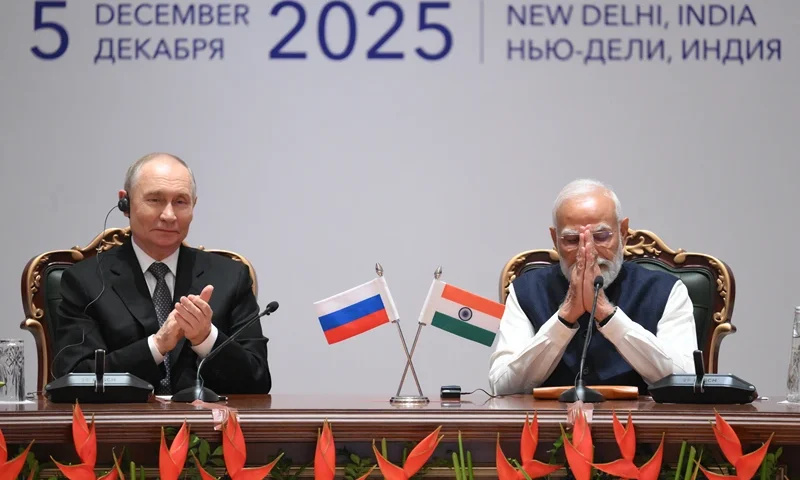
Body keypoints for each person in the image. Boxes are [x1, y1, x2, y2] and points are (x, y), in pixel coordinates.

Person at [54, 153, 271, 395]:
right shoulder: (85, 281)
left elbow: (258, 381)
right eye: (155, 200)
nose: (169, 215)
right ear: (125, 204)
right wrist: (156, 346)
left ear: (193, 206)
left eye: (180, 202)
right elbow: (72, 380)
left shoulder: (229, 277)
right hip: (120, 428)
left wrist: (206, 338)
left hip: (205, 427)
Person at [488, 179, 697, 395]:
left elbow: (686, 381)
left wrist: (607, 314)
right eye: (571, 239)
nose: (588, 251)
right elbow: (502, 387)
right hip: (548, 425)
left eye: (601, 236)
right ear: (554, 240)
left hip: (642, 425)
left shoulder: (666, 290)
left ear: (623, 233)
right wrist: (565, 317)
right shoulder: (526, 291)